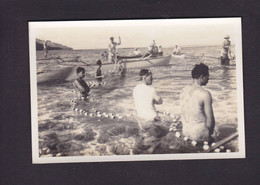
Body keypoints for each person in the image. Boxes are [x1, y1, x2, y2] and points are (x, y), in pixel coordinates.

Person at [180, 63, 215, 141]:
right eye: (208, 76)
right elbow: (210, 120)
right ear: (202, 76)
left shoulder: (183, 90)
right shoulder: (205, 94)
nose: (209, 78)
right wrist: (209, 134)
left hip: (185, 131)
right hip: (199, 132)